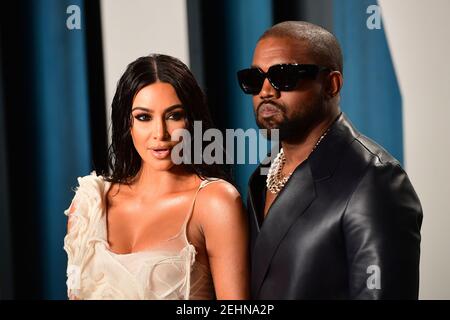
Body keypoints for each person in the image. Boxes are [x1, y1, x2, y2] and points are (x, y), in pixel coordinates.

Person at [237, 21, 423, 299]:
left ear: (331, 85)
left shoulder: (375, 180)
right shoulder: (262, 174)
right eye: (254, 78)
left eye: (284, 76)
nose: (266, 91)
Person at [64, 54, 250, 300]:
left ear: (192, 121)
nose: (160, 133)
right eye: (144, 117)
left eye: (174, 116)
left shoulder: (215, 202)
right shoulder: (89, 204)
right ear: (127, 124)